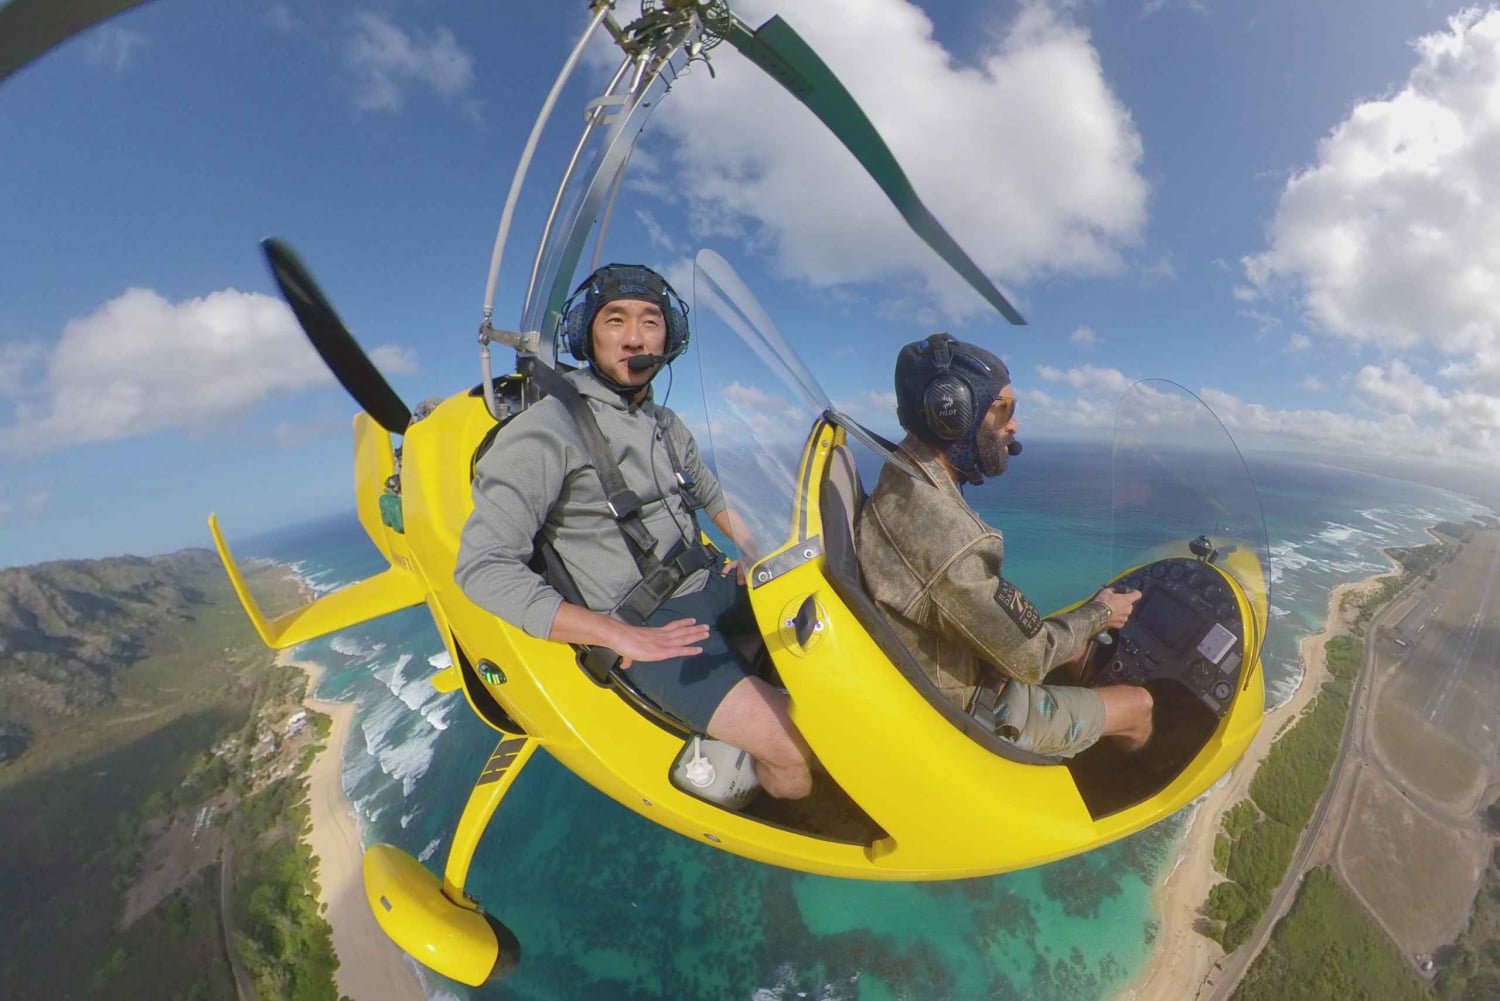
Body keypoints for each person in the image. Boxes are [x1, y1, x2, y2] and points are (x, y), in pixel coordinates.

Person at [456, 263, 814, 799]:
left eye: (650, 321)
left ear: (669, 336)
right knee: (796, 744)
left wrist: (760, 554)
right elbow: (482, 568)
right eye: (614, 321)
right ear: (587, 337)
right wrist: (616, 635)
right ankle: (796, 808)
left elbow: (710, 496)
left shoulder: (666, 425)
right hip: (650, 622)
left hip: (711, 580)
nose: (633, 338)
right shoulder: (544, 431)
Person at [856, 333, 1154, 757]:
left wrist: (1086, 626)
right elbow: (1030, 658)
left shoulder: (899, 477)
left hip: (926, 674)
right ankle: (1102, 784)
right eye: (1003, 410)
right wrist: (1103, 611)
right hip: (966, 713)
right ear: (953, 416)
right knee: (1140, 705)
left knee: (1079, 651)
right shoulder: (954, 542)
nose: (1013, 425)